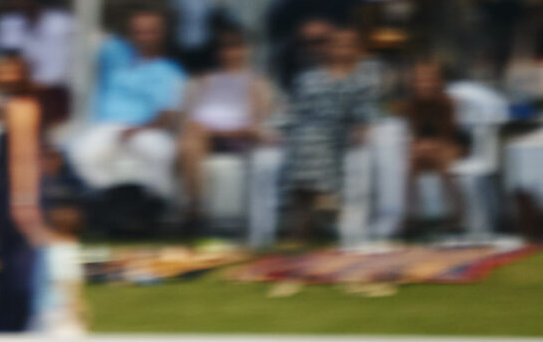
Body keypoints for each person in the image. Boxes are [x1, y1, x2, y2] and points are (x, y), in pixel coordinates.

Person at [69, 8, 189, 204]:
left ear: (161, 34)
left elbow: (167, 115)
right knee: (82, 152)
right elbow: (90, 14)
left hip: (148, 130)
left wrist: (138, 130)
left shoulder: (170, 71)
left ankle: (158, 206)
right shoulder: (115, 54)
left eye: (150, 31)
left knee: (160, 152)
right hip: (107, 127)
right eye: (138, 31)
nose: (144, 37)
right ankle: (111, 203)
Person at [280, 24, 385, 243]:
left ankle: (314, 219)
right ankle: (321, 208)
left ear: (356, 48)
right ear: (328, 48)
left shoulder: (362, 79)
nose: (343, 49)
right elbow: (295, 110)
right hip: (307, 133)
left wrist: (363, 125)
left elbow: (369, 110)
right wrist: (276, 129)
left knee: (311, 140)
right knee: (306, 138)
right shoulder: (308, 78)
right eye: (338, 44)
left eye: (348, 44)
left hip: (339, 133)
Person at [0, 50, 53, 333]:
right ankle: (11, 324)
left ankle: (11, 324)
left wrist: (24, 202)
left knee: (19, 267)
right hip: (12, 194)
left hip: (16, 195)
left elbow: (22, 157)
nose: (0, 76)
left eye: (7, 70)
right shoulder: (16, 105)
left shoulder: (20, 106)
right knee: (12, 266)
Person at [175, 29, 275, 229]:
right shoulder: (205, 80)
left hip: (237, 135)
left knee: (193, 135)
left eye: (236, 46)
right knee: (190, 141)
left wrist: (221, 129)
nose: (231, 52)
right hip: (203, 133)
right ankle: (196, 207)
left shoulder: (255, 82)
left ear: (246, 50)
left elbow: (257, 122)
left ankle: (194, 208)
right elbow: (189, 113)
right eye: (226, 47)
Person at [397, 57, 469, 235]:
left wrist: (432, 145)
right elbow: (415, 133)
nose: (424, 84)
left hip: (452, 144)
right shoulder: (411, 105)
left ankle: (457, 217)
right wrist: (422, 145)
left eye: (429, 80)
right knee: (411, 163)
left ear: (438, 82)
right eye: (420, 80)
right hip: (424, 147)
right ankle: (412, 218)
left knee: (445, 164)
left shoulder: (448, 103)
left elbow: (451, 133)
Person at [0, 0, 74, 123]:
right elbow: (7, 61)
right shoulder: (11, 24)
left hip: (57, 91)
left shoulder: (63, 23)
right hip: (23, 92)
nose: (21, 6)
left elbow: (68, 64)